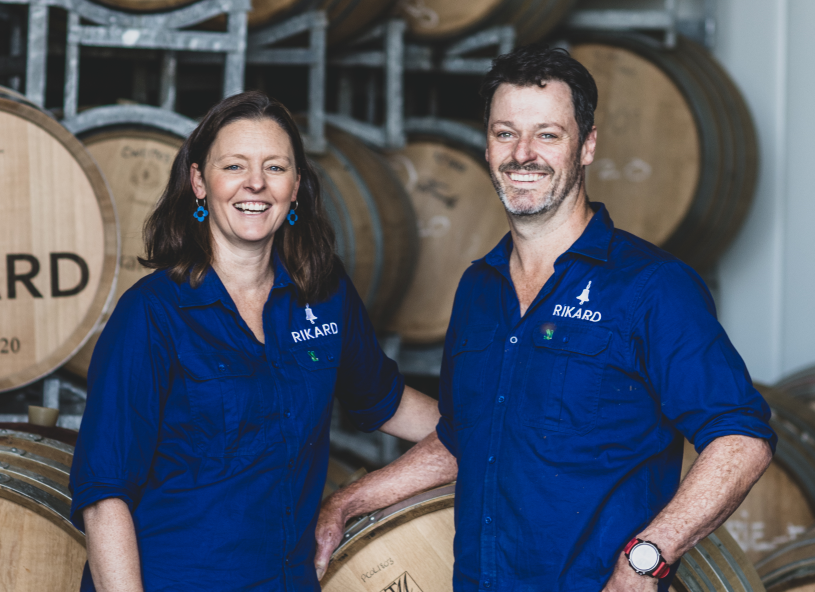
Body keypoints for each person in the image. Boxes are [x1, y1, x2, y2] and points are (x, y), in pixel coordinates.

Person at [314, 45, 776, 592]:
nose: (522, 153)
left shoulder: (651, 286)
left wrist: (645, 560)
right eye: (505, 133)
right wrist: (351, 499)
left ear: (587, 146)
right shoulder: (478, 289)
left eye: (548, 134)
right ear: (486, 145)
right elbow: (468, 438)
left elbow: (741, 437)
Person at [68, 91, 440, 592]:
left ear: (296, 186)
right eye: (235, 166)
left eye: (275, 167)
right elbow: (104, 493)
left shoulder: (324, 295)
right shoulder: (152, 313)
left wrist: (494, 428)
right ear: (199, 182)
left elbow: (388, 404)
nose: (256, 184)